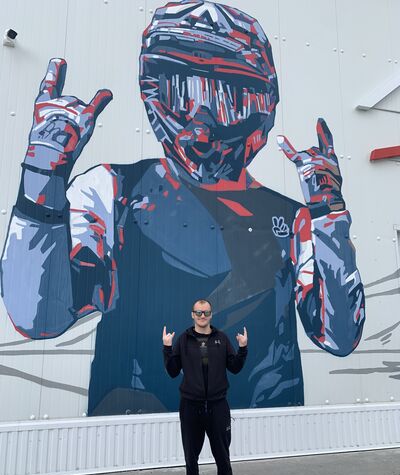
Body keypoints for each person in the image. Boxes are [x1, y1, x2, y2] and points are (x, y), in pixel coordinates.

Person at [0, 0, 365, 416]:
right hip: (133, 434)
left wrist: (329, 215)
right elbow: (39, 317)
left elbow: (339, 337)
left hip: (265, 434)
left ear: (263, 106)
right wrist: (42, 178)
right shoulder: (109, 192)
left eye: (228, 99)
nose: (201, 129)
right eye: (180, 92)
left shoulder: (295, 220)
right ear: (152, 94)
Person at [163, 299, 248, 475]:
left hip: (218, 406)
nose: (202, 316)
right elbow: (172, 371)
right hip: (190, 406)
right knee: (191, 457)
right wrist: (167, 348)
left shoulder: (221, 338)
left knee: (223, 457)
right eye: (198, 312)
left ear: (211, 314)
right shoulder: (183, 340)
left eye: (206, 312)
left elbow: (235, 367)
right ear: (192, 314)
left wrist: (242, 348)